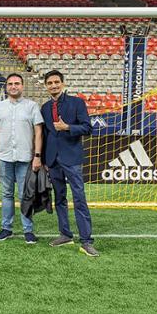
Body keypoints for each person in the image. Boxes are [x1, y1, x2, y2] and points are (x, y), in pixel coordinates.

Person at [41, 69, 98, 257]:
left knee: (79, 198)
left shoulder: (76, 103)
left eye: (56, 82)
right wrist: (43, 160)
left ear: (63, 84)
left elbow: (87, 127)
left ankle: (87, 241)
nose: (53, 85)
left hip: (72, 159)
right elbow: (45, 135)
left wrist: (68, 127)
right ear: (46, 86)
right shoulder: (45, 108)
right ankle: (65, 234)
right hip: (53, 160)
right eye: (50, 83)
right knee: (60, 199)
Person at [0, 73, 43, 244]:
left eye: (17, 83)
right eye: (10, 83)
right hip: (4, 157)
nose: (13, 86)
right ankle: (6, 228)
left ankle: (28, 230)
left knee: (25, 195)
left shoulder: (32, 106)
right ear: (6, 87)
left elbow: (38, 132)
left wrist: (37, 156)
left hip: (25, 158)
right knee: (6, 194)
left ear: (22, 86)